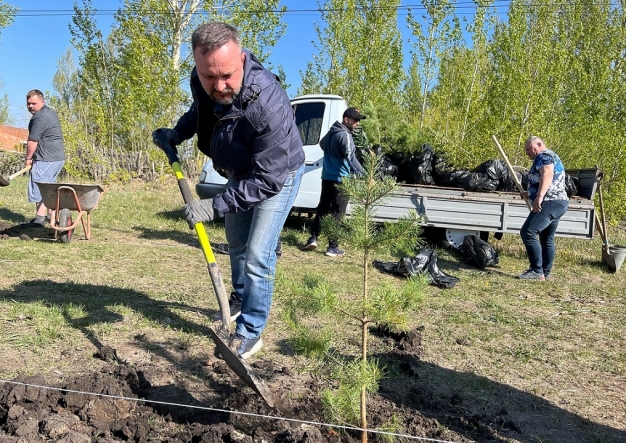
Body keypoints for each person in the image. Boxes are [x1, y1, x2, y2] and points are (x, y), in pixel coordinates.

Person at [153, 22, 305, 359]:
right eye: (210, 77)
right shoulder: (202, 80)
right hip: (240, 170)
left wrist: (213, 206)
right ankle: (239, 298)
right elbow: (200, 111)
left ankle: (251, 331)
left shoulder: (267, 102)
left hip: (276, 176)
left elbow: (267, 180)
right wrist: (176, 133)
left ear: (242, 57)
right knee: (236, 245)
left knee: (257, 256)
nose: (220, 85)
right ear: (198, 66)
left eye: (228, 76)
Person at [302, 107, 365, 257]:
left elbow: (322, 144)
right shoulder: (345, 135)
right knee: (338, 213)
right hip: (341, 180)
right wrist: (364, 174)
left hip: (327, 177)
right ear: (346, 119)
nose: (357, 123)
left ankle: (313, 238)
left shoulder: (332, 132)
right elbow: (350, 157)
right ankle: (332, 247)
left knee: (322, 209)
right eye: (355, 120)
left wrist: (332, 157)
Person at [517, 136, 568, 281]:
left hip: (550, 202)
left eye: (529, 149)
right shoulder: (551, 156)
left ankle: (536, 271)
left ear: (539, 144)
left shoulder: (543, 156)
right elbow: (552, 180)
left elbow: (548, 174)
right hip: (559, 202)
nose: (527, 152)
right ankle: (545, 272)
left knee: (528, 232)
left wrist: (539, 197)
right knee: (546, 239)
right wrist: (530, 193)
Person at [24, 89, 65, 225]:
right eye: (28, 103)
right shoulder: (48, 112)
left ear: (42, 102)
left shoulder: (40, 117)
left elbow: (32, 141)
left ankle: (39, 219)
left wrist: (28, 158)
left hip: (47, 158)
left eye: (33, 103)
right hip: (57, 158)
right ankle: (51, 217)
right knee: (49, 186)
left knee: (40, 185)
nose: (30, 106)